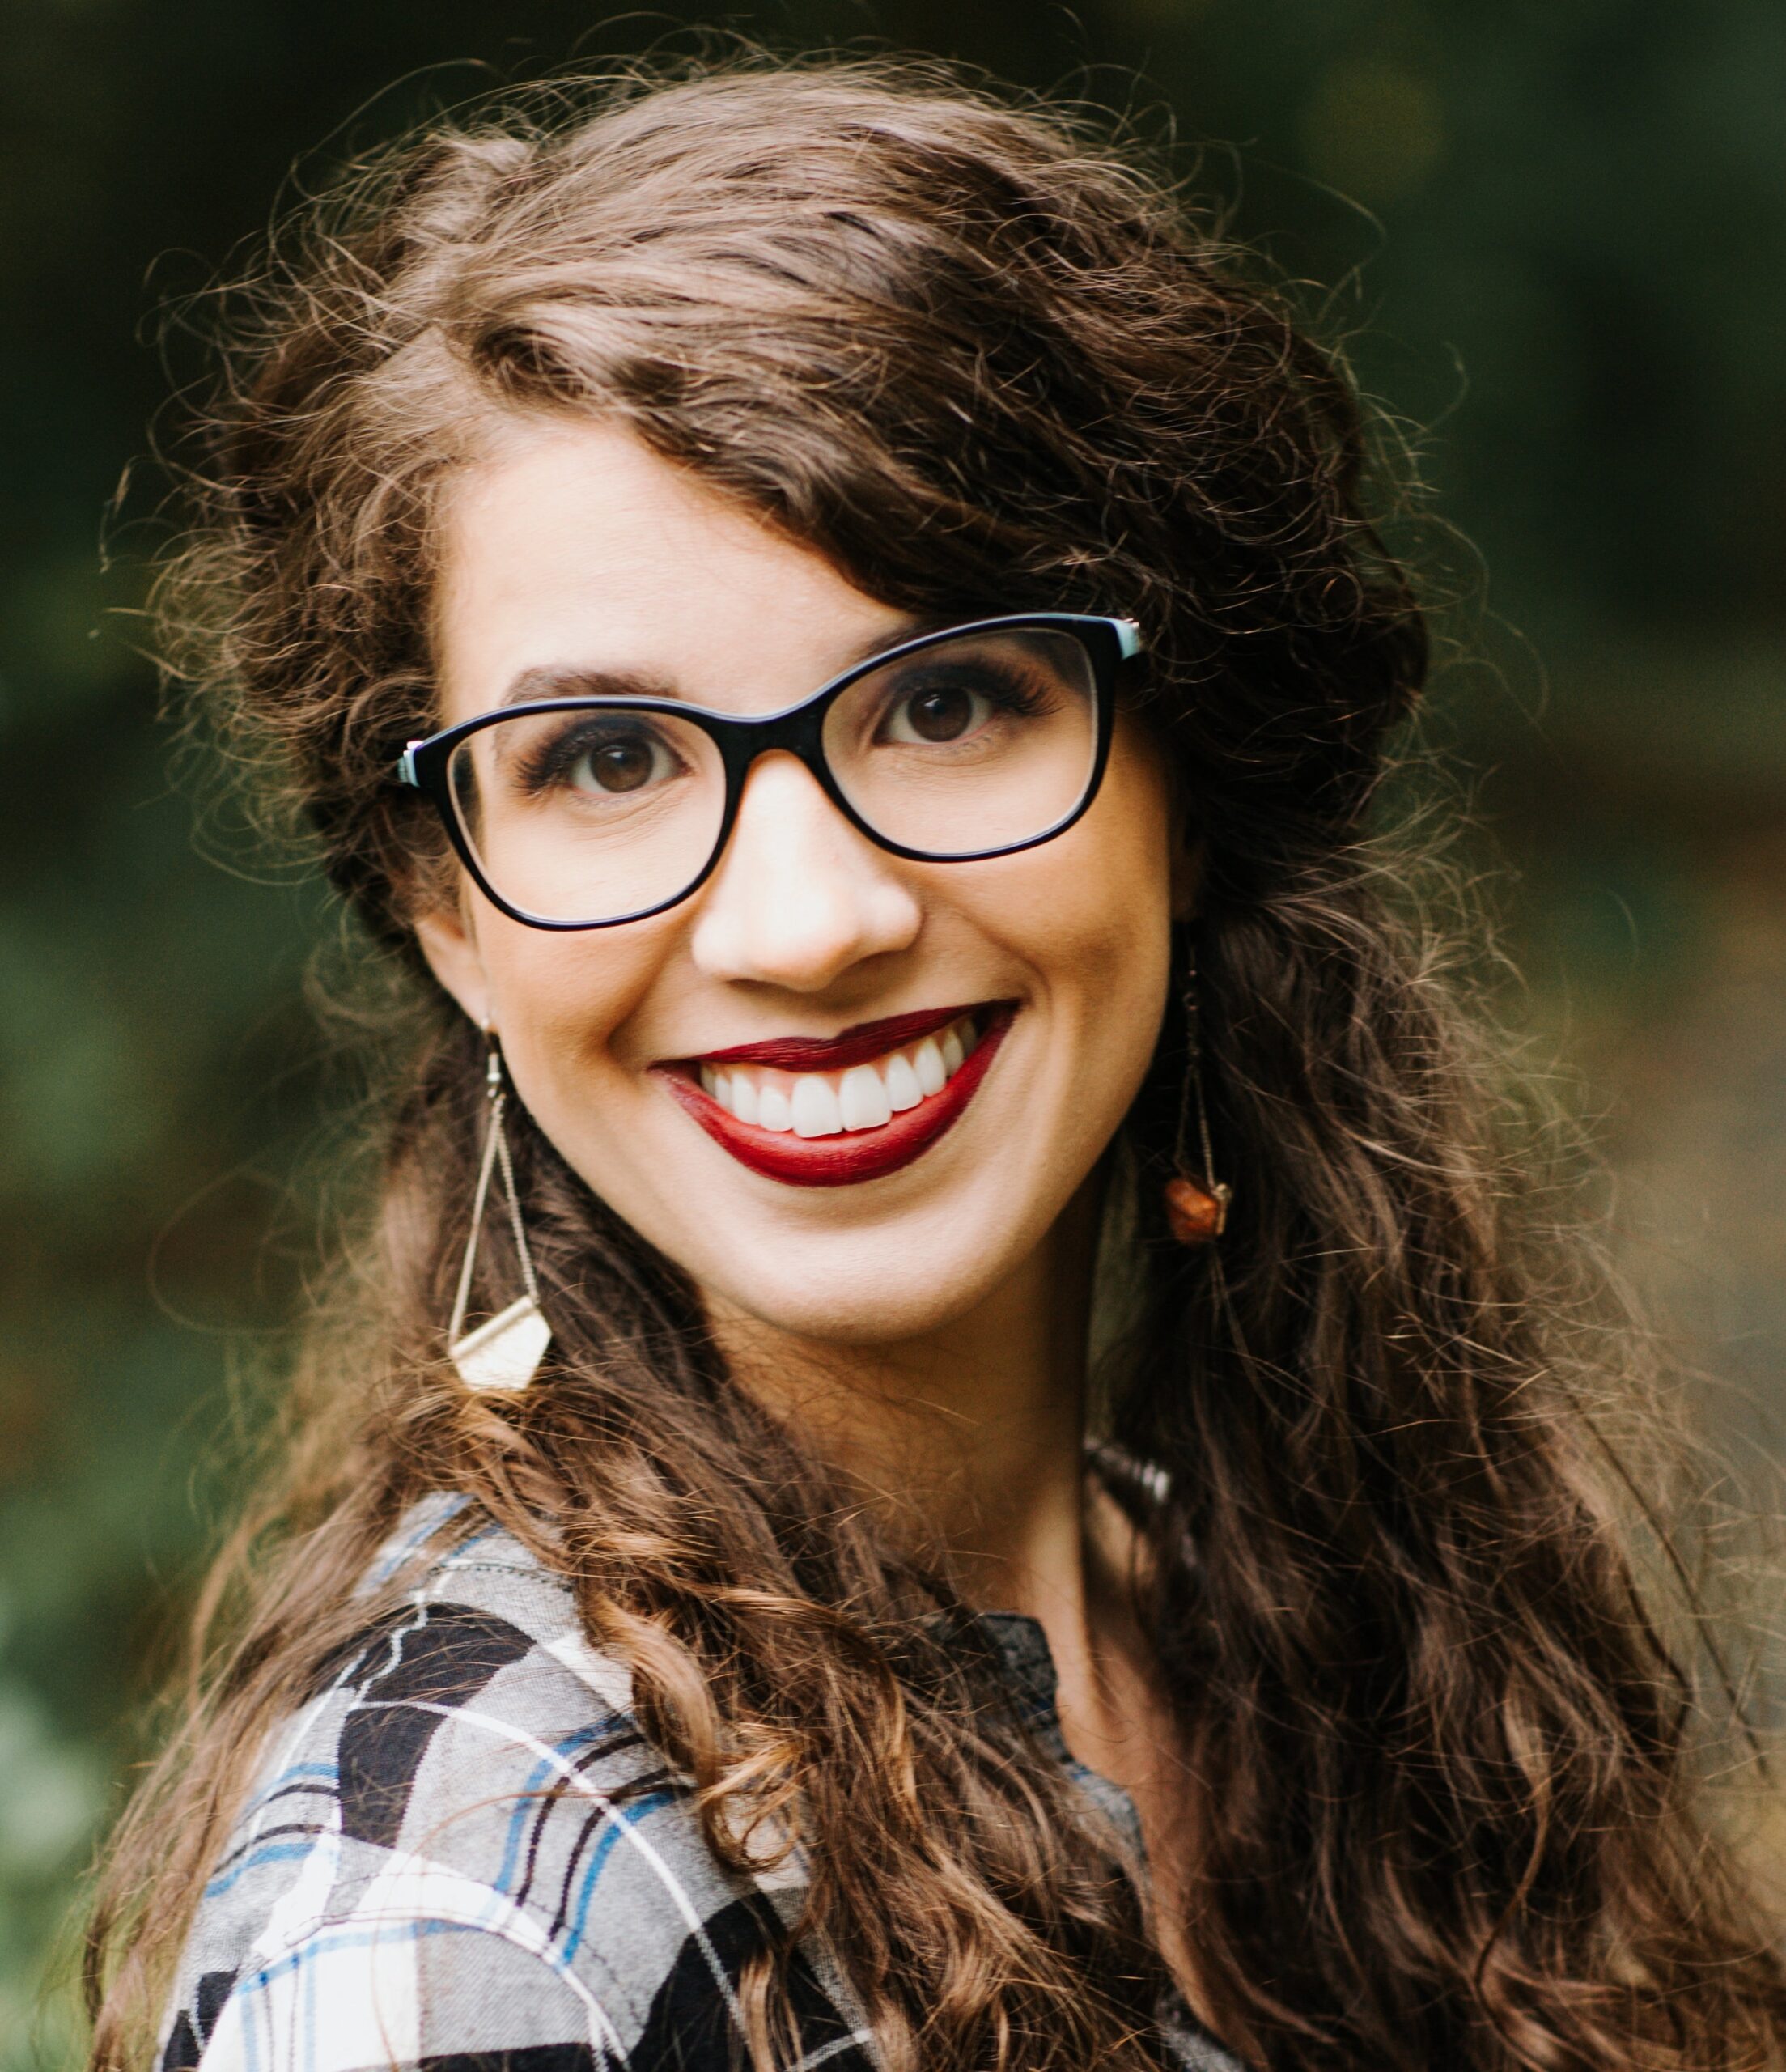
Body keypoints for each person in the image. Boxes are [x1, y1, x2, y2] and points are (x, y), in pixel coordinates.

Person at [84, 56, 1785, 2072]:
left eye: (949, 697)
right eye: (607, 759)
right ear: (445, 908)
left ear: (1187, 774)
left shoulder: (1270, 1598)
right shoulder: (470, 1914)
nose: (808, 922)